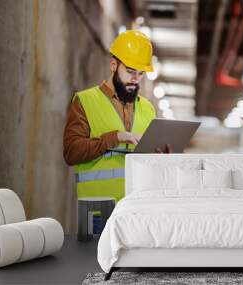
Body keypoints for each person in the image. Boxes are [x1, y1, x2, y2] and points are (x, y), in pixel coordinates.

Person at [63, 30, 170, 201]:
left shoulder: (148, 109)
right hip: (99, 206)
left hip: (138, 206)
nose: (135, 78)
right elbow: (71, 153)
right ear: (113, 65)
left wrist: (163, 155)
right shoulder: (85, 101)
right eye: (130, 71)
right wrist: (117, 137)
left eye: (141, 73)